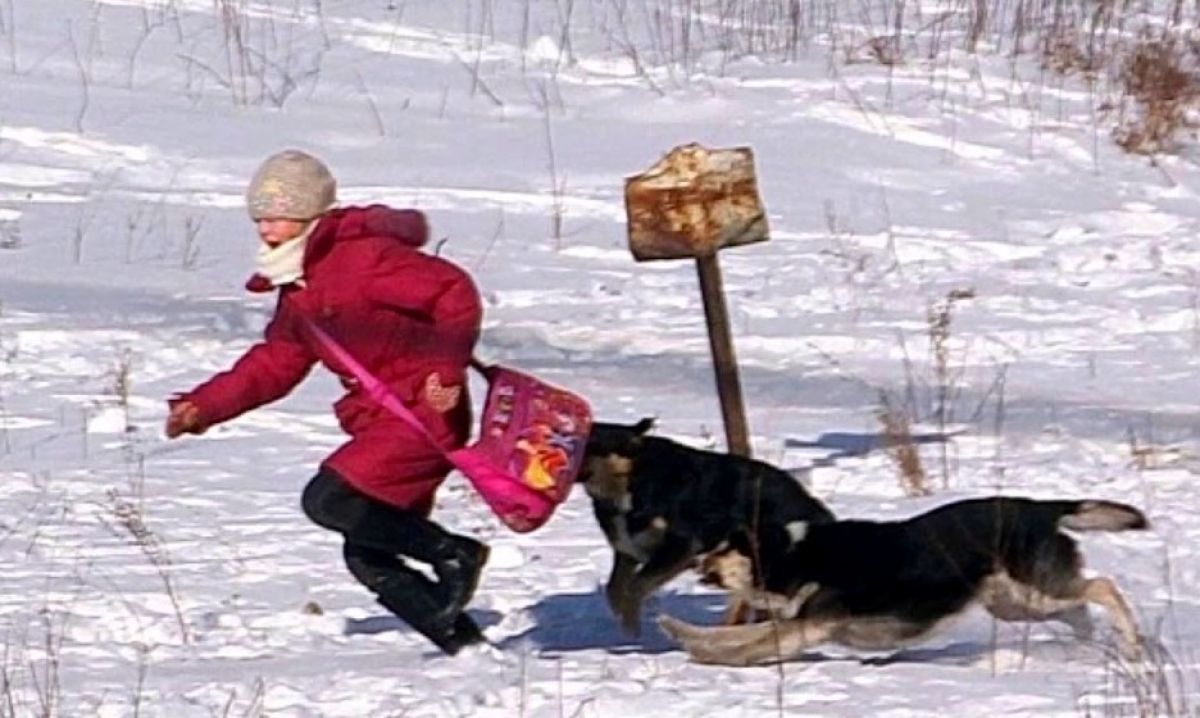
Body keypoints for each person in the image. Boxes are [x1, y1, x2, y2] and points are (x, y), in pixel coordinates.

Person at [164, 149, 490, 655]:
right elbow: (277, 362)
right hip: (383, 418)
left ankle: (457, 554)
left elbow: (453, 292)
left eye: (278, 216)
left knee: (329, 500)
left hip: (423, 411)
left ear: (310, 213)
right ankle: (467, 649)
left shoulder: (362, 259)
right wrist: (203, 407)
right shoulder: (298, 283)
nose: (267, 229)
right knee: (368, 556)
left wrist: (444, 370)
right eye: (260, 218)